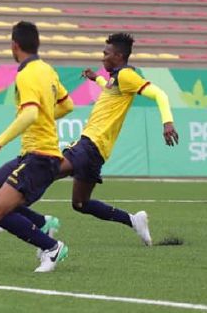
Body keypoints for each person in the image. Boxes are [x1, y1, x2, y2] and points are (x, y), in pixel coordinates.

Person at [56, 33, 178, 248]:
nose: (102, 57)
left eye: (106, 53)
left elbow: (160, 94)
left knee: (46, 169)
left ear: (119, 55)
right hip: (97, 150)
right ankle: (133, 220)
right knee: (80, 203)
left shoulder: (127, 76)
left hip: (90, 144)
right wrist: (97, 78)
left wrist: (167, 122)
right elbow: (111, 89)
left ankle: (9, 213)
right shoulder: (116, 77)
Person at [0, 21, 74, 273]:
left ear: (14, 45)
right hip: (30, 153)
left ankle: (52, 247)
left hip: (41, 156)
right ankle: (43, 222)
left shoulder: (26, 73)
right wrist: (45, 116)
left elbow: (29, 114)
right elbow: (67, 105)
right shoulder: (47, 70)